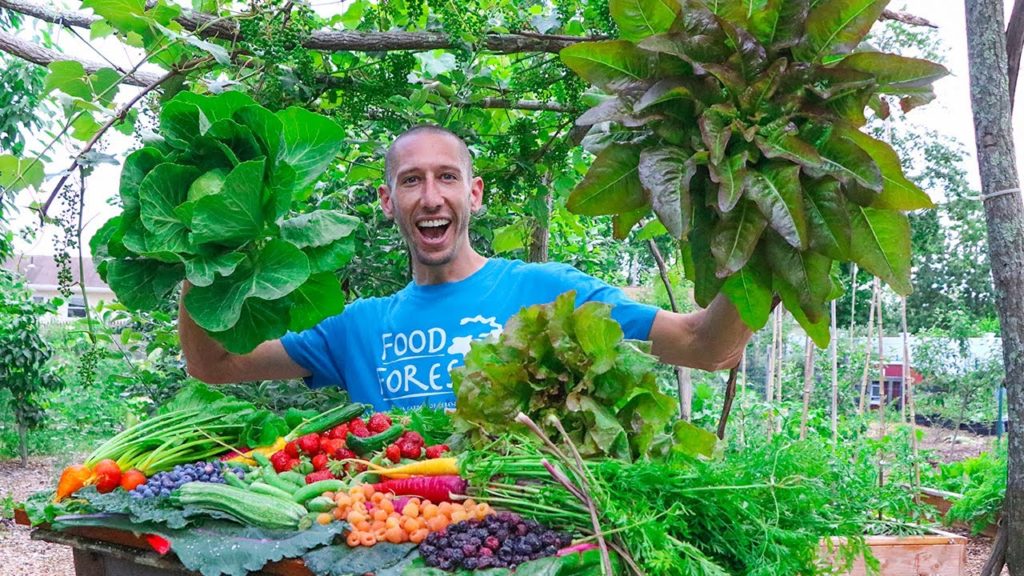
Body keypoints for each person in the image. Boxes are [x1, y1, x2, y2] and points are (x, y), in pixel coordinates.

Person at [180, 125, 753, 410]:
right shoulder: (353, 326)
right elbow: (217, 364)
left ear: (473, 194)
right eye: (411, 181)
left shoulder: (546, 291)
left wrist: (768, 251)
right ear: (388, 202)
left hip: (522, 551)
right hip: (390, 548)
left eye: (446, 177)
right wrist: (205, 250)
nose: (431, 197)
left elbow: (705, 345)